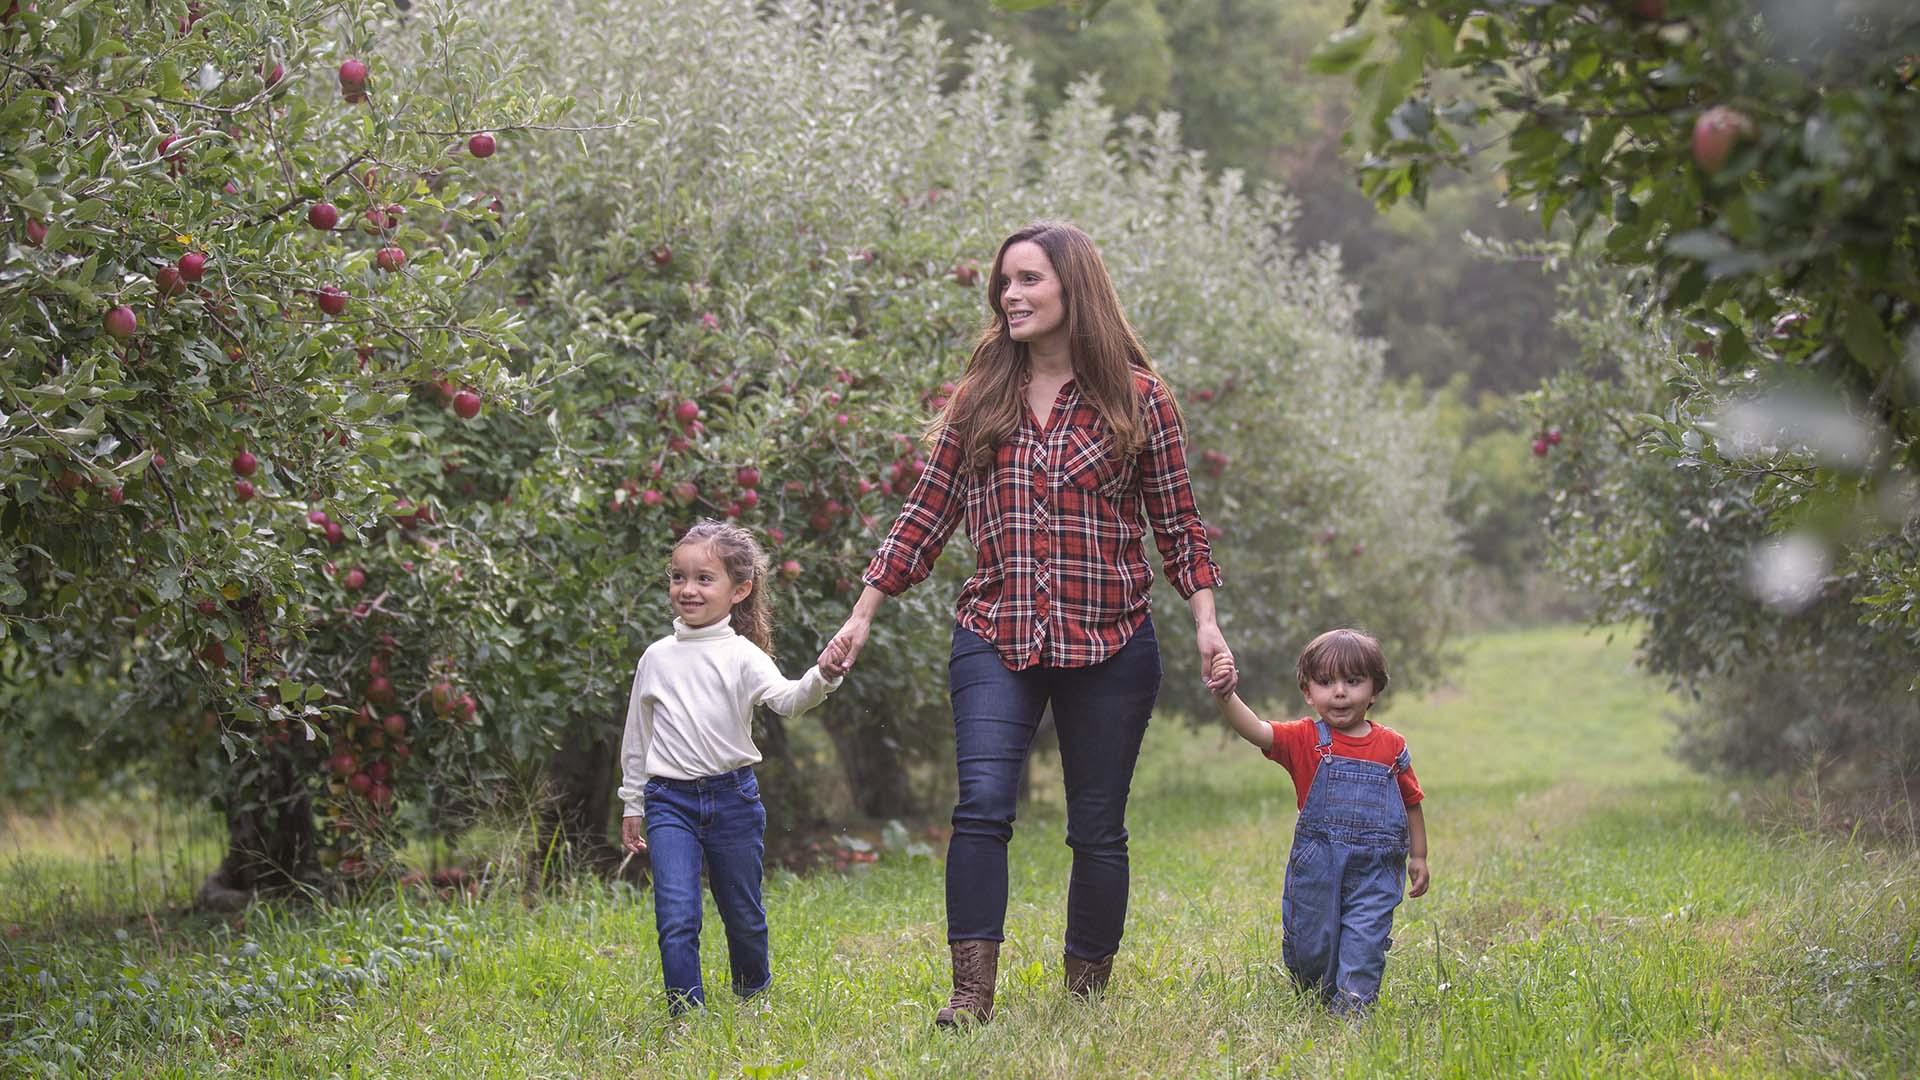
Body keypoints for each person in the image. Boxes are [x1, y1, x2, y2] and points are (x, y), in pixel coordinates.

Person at [818, 220, 1236, 1026]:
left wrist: (1207, 624)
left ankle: (1084, 997)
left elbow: (1180, 526)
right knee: (979, 805)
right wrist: (864, 613)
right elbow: (925, 514)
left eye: (1029, 280)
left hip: (1111, 635)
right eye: (1005, 283)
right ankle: (970, 995)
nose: (1012, 295)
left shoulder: (1139, 399)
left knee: (1097, 827)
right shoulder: (980, 397)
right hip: (996, 631)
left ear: (1073, 288)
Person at [618, 519, 847, 1015]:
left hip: (733, 800)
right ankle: (686, 1014)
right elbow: (637, 737)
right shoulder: (656, 658)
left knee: (742, 913)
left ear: (739, 590)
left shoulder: (743, 655)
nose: (688, 589)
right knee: (676, 914)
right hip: (668, 801)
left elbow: (787, 700)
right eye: (678, 577)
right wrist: (632, 801)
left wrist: (822, 676)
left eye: (704, 578)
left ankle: (752, 996)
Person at [1210, 627, 1429, 1016]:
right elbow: (1255, 730)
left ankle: (1352, 1014)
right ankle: (1317, 994)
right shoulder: (1303, 739)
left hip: (1375, 873)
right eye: (1326, 683)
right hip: (1318, 867)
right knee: (1312, 945)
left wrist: (1419, 856)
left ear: (1375, 689)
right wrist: (1227, 696)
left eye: (1353, 681)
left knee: (1365, 941)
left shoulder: (1392, 746)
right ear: (1308, 692)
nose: (1340, 692)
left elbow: (1411, 802)